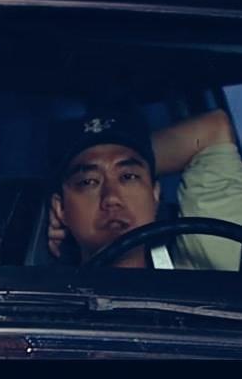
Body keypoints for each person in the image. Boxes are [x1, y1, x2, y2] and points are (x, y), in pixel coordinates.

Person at [47, 106, 242, 270]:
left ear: (155, 194)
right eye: (89, 182)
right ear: (60, 208)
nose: (111, 198)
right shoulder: (39, 299)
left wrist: (141, 152)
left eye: (128, 177)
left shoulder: (205, 274)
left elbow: (214, 131)